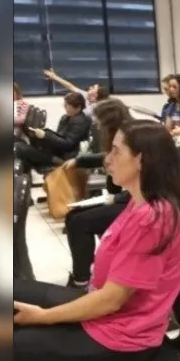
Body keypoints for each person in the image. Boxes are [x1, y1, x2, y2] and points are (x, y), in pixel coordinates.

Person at [13, 120, 180, 361]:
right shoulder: (140, 201)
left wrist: (44, 317)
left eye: (116, 151)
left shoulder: (153, 218)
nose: (107, 160)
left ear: (141, 160)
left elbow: (112, 300)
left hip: (122, 341)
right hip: (107, 315)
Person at [62, 99, 133, 288]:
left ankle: (81, 279)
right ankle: (85, 271)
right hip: (125, 198)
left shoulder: (133, 141)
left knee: (80, 222)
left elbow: (150, 185)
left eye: (99, 123)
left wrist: (116, 198)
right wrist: (81, 160)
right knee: (72, 217)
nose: (96, 126)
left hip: (137, 204)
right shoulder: (123, 137)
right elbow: (107, 158)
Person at [15, 92, 91, 175]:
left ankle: (52, 162)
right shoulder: (66, 118)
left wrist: (46, 135)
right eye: (64, 105)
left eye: (67, 105)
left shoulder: (80, 121)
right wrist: (43, 134)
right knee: (20, 147)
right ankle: (26, 176)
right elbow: (59, 136)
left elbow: (68, 144)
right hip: (56, 152)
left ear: (78, 107)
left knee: (19, 148)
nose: (64, 107)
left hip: (66, 156)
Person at [43, 68, 109, 117]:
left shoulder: (96, 108)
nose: (90, 87)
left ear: (96, 95)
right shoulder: (86, 96)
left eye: (93, 88)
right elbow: (70, 86)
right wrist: (54, 77)